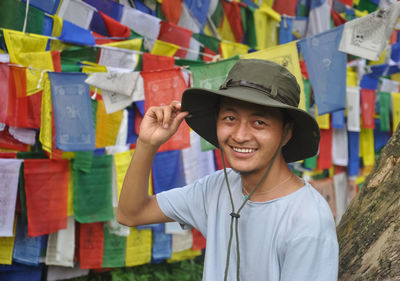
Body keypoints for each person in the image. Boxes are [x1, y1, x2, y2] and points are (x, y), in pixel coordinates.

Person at [117, 59, 339, 281]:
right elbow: (130, 213)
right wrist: (147, 144)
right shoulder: (216, 188)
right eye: (230, 118)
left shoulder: (308, 221)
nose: (240, 135)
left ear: (286, 133)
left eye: (259, 122)